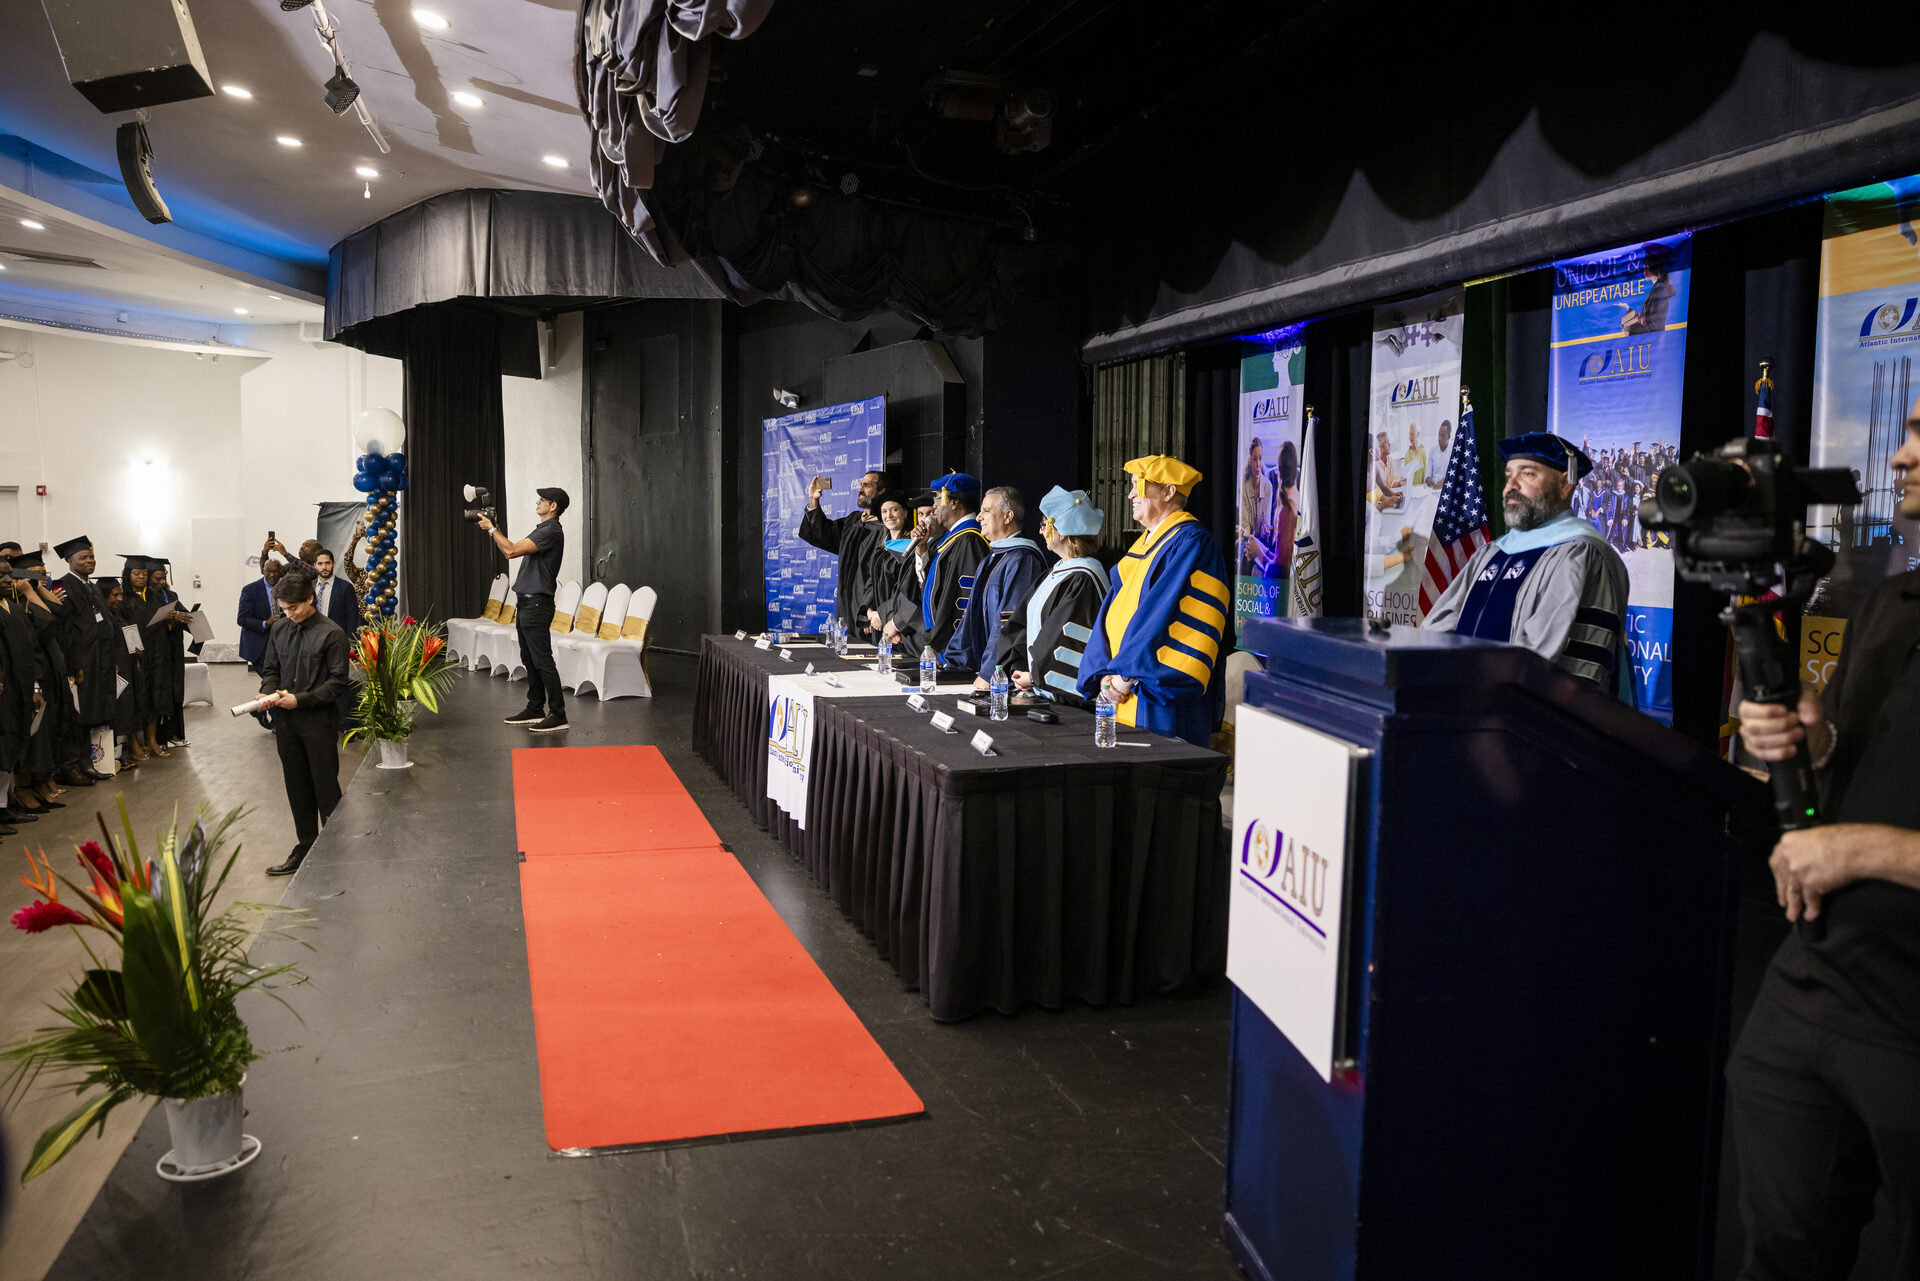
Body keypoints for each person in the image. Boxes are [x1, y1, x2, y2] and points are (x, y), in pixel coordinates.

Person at [1724, 394, 1920, 1280]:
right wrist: (1810, 735)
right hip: (1812, 983)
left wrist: (1855, 850)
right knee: (1783, 1248)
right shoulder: (1891, 603)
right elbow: (1843, 746)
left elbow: (1863, 834)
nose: (1901, 457)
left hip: (1910, 1017)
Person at [1423, 432, 1631, 695]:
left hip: (1535, 713)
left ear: (1565, 484)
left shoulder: (1580, 553)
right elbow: (1438, 625)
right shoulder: (1492, 553)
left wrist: (1469, 679)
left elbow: (1542, 656)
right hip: (1471, 703)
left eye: (1528, 474)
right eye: (1509, 475)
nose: (1511, 486)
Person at [1077, 455, 1231, 746]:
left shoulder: (1193, 542)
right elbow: (1112, 609)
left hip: (1156, 695)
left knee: (1157, 767)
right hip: (1121, 685)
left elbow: (1161, 613)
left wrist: (1127, 676)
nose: (1130, 495)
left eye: (1139, 485)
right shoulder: (1145, 543)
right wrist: (1104, 670)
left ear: (1169, 491)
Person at [257, 573, 350, 877]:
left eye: (294, 607)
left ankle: (337, 848)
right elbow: (271, 669)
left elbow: (337, 682)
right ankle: (306, 845)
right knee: (296, 786)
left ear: (310, 598)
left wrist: (300, 700)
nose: (289, 614)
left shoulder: (332, 633)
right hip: (286, 722)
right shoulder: (280, 628)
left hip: (318, 721)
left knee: (325, 785)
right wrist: (267, 691)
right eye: (284, 609)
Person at [478, 488, 569, 733]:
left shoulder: (551, 530)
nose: (538, 502)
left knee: (542, 660)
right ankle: (535, 708)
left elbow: (511, 551)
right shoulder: (543, 529)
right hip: (527, 602)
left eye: (543, 500)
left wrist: (492, 529)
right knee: (529, 659)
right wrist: (495, 529)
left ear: (553, 506)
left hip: (537, 604)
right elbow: (510, 548)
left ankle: (558, 713)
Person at [1008, 486, 1108, 706]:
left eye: (1044, 525)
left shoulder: (1084, 577)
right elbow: (1021, 623)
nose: (1041, 532)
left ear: (1061, 530)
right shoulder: (1054, 573)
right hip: (1041, 690)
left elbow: (1062, 635)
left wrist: (1034, 676)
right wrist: (1019, 666)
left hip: (1068, 701)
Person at [883, 473, 988, 657]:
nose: (934, 506)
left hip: (951, 647)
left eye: (938, 499)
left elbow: (964, 600)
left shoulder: (970, 539)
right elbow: (929, 585)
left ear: (954, 503)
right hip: (938, 640)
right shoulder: (949, 537)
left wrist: (951, 650)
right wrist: (921, 548)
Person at [951, 486, 1047, 677]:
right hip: (984, 670)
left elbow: (1010, 623)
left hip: (1006, 676)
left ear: (1008, 516)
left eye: (986, 511)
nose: (979, 517)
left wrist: (990, 673)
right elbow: (969, 617)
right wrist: (953, 660)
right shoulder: (992, 558)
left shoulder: (1023, 559)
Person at [50, 536, 118, 783]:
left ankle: (87, 762)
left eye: (92, 557)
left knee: (93, 712)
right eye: (83, 557)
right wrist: (72, 665)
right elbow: (63, 631)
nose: (90, 561)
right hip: (80, 662)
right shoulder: (61, 586)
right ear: (69, 560)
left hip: (99, 659)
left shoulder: (94, 587)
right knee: (78, 715)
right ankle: (72, 766)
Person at [799, 470, 888, 638]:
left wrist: (871, 609)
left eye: (867, 485)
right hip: (846, 604)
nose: (860, 489)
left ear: (881, 491)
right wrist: (814, 500)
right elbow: (823, 534)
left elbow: (884, 576)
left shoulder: (886, 528)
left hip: (868, 608)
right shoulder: (853, 520)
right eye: (860, 485)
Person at [237, 558, 284, 729]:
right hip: (259, 647)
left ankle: (260, 709)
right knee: (273, 681)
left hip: (282, 644)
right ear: (263, 571)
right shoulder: (250, 590)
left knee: (276, 681)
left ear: (281, 572)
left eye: (276, 571)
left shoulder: (285, 588)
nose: (272, 575)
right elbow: (242, 619)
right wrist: (265, 623)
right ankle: (277, 722)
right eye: (268, 571)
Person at [1619, 246, 1675, 335]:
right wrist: (1628, 308)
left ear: (1653, 269)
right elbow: (1648, 317)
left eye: (1646, 268)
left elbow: (1655, 325)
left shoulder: (1661, 289)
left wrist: (1632, 330)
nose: (1644, 272)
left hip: (1654, 337)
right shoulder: (1656, 287)